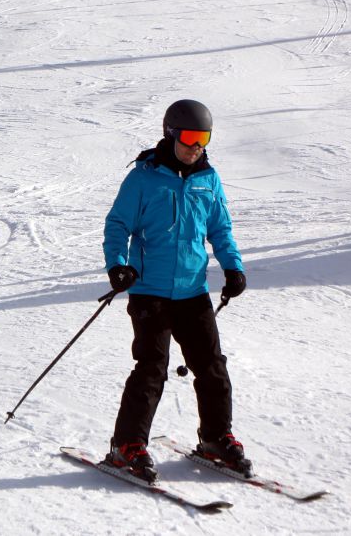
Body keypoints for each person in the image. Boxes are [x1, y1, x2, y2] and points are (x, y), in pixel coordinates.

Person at [102, 99, 250, 481]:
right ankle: (127, 445)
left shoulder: (208, 179)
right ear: (171, 134)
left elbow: (220, 229)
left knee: (212, 367)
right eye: (189, 138)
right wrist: (118, 265)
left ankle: (216, 438)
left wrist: (233, 267)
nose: (196, 146)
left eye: (204, 139)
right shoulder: (144, 178)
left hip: (192, 290)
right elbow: (118, 225)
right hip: (149, 290)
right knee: (152, 369)